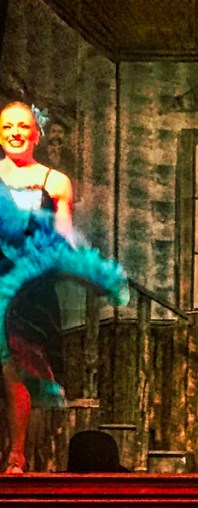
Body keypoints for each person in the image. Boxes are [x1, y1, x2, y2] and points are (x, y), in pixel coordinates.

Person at [0, 102, 127, 473]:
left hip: (30, 288)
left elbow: (63, 237)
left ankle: (17, 454)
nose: (15, 133)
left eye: (23, 126)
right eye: (8, 126)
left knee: (18, 367)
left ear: (36, 134)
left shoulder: (55, 181)